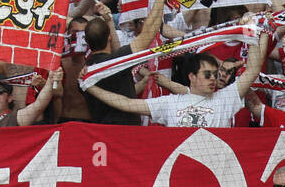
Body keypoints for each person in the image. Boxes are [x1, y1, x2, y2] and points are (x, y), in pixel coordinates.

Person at [84, 32, 267, 127]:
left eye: (215, 74)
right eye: (207, 74)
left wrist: (249, 36)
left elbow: (252, 70)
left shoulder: (225, 99)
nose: (214, 79)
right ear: (192, 77)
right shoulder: (170, 103)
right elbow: (125, 103)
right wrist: (90, 87)